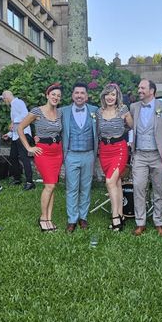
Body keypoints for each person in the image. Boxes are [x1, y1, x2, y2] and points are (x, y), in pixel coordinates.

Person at [17, 83, 63, 232]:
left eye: (58, 96)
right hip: (43, 153)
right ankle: (43, 218)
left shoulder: (60, 113)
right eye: (53, 94)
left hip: (57, 152)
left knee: (53, 185)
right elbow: (20, 128)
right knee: (49, 185)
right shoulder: (37, 111)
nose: (56, 97)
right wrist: (29, 147)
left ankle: (49, 218)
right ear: (47, 95)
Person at [130, 79, 162, 236]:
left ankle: (158, 222)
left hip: (157, 155)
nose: (139, 90)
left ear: (152, 91)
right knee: (139, 188)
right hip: (139, 154)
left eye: (142, 87)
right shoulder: (134, 107)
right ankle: (140, 222)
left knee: (159, 190)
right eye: (139, 87)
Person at [61, 82, 99, 233]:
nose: (79, 95)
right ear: (72, 95)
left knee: (86, 187)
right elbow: (50, 122)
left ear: (86, 96)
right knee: (71, 188)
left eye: (82, 93)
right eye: (76, 93)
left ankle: (83, 217)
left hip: (89, 154)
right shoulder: (63, 111)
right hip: (71, 154)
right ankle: (72, 219)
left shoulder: (95, 111)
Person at [97, 83, 133, 231]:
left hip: (119, 149)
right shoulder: (99, 112)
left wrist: (122, 128)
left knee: (110, 181)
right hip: (104, 150)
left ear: (117, 96)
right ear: (103, 96)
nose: (110, 97)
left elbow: (131, 126)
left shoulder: (123, 110)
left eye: (113, 94)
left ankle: (115, 218)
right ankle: (121, 214)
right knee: (116, 183)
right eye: (107, 94)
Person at [2, 90, 35, 190]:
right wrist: (9, 134)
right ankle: (17, 178)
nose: (4, 102)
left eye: (4, 100)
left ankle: (30, 182)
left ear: (6, 97)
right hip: (16, 136)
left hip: (24, 135)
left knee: (24, 158)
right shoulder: (13, 105)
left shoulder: (18, 102)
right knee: (13, 157)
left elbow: (26, 115)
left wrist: (14, 122)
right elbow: (15, 126)